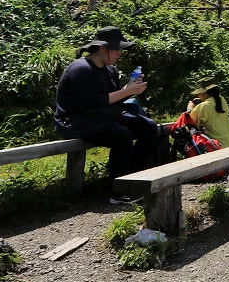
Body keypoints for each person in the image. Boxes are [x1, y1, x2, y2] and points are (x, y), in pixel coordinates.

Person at [53, 26, 156, 205]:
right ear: (102, 49)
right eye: (118, 50)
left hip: (101, 116)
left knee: (148, 127)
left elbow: (112, 100)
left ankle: (134, 179)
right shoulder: (81, 69)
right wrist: (127, 91)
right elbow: (93, 102)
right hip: (75, 120)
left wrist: (129, 88)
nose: (120, 54)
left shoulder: (110, 70)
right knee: (122, 134)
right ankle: (119, 191)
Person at [186, 79, 229, 149]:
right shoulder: (222, 100)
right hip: (227, 143)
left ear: (204, 93)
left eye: (199, 93)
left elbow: (189, 124)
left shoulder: (203, 107)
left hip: (215, 146)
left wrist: (190, 109)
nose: (198, 95)